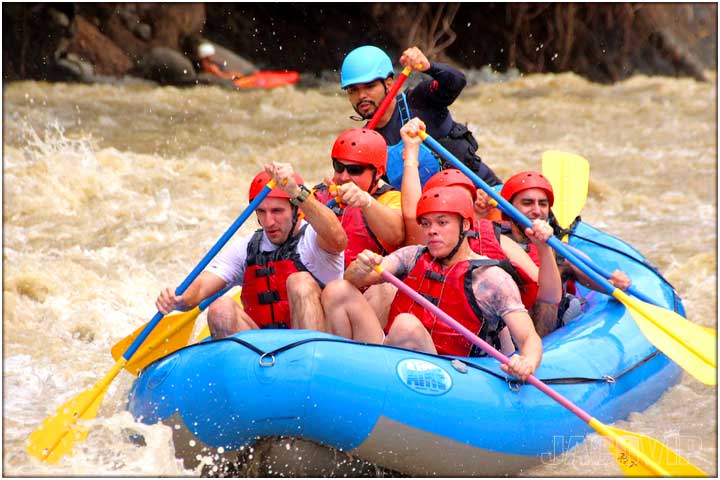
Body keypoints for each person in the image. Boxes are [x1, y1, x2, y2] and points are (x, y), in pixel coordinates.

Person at [322, 186, 543, 381]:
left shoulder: (491, 279)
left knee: (406, 325)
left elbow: (528, 337)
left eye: (442, 222)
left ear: (465, 225)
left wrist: (527, 362)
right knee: (337, 290)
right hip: (391, 359)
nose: (432, 230)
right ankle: (340, 375)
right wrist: (358, 269)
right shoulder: (412, 255)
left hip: (454, 378)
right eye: (426, 224)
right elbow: (353, 280)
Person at [398, 118, 562, 337]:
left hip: (490, 335)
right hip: (430, 339)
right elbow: (411, 213)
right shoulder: (426, 241)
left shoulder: (491, 236)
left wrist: (544, 249)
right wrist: (411, 154)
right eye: (436, 215)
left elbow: (546, 293)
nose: (436, 225)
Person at [155, 163, 347, 339]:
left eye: (277, 211)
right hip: (263, 357)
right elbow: (201, 287)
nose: (268, 222)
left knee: (301, 282)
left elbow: (338, 239)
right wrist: (179, 298)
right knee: (220, 308)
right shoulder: (246, 249)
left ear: (296, 210)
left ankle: (307, 361)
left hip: (318, 352)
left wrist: (295, 191)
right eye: (261, 212)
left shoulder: (313, 239)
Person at [339, 45, 502, 192]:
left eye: (369, 86)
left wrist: (429, 67)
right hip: (434, 217)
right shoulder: (364, 142)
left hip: (485, 194)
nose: (361, 96)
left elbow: (456, 81)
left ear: (388, 84)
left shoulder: (419, 101)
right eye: (353, 90)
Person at [488, 170, 632, 326]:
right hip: (506, 333)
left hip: (545, 334)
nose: (536, 211)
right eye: (527, 203)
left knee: (561, 265)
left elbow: (605, 284)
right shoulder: (494, 239)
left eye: (542, 204)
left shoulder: (559, 251)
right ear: (508, 207)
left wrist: (615, 285)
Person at [314, 127, 404, 267]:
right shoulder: (318, 194)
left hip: (365, 283)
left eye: (354, 170)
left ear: (379, 172)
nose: (344, 177)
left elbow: (396, 236)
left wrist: (367, 202)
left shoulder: (392, 199)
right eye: (339, 167)